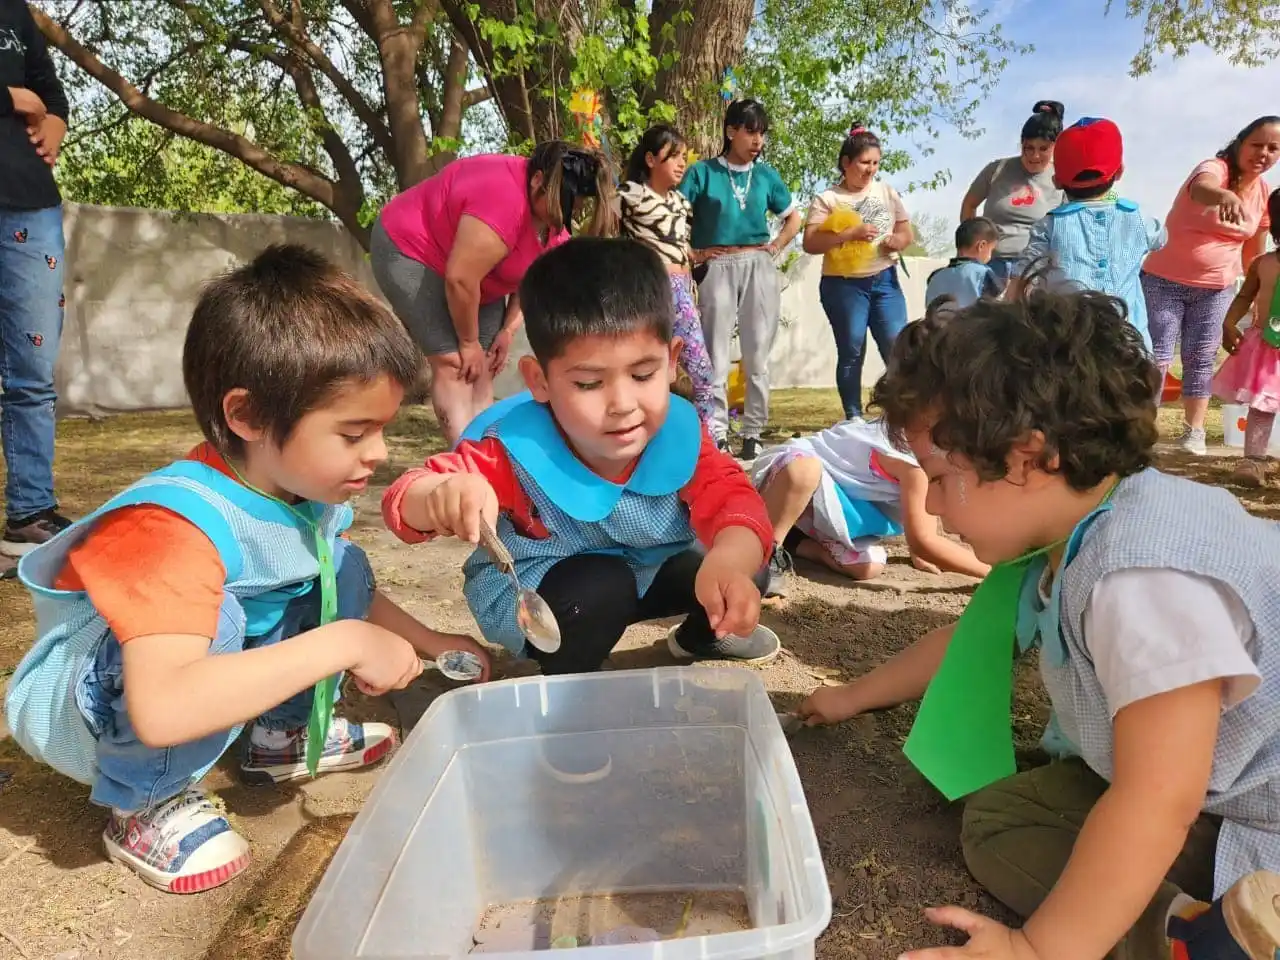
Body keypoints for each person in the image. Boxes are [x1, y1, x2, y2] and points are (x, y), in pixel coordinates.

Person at [799, 288, 1280, 960]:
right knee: (1005, 810)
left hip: (1259, 819)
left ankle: (1200, 939)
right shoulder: (1080, 524)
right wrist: (851, 697)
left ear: (1027, 458)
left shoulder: (1141, 579)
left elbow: (1159, 797)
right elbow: (974, 642)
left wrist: (1039, 948)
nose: (931, 508)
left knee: (1013, 829)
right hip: (1214, 785)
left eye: (939, 478)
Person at [4, 246, 491, 894]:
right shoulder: (171, 530)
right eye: (353, 433)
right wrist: (346, 642)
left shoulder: (302, 490)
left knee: (343, 566)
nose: (378, 453)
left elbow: (332, 577)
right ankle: (142, 800)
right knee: (221, 615)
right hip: (102, 706)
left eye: (382, 429)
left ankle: (278, 737)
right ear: (249, 415)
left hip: (178, 676)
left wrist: (431, 642)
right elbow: (163, 707)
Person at [383, 237, 779, 678]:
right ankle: (570, 681)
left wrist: (731, 561)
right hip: (550, 591)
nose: (622, 404)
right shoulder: (517, 448)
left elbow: (733, 499)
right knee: (600, 588)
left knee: (743, 560)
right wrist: (440, 494)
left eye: (643, 374)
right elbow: (404, 497)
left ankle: (702, 636)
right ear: (540, 381)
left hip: (648, 569)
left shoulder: (679, 433)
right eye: (589, 383)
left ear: (671, 362)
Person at [370, 141, 614, 447]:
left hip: (475, 275)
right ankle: (465, 455)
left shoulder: (554, 225)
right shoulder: (502, 199)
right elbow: (461, 278)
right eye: (567, 201)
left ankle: (486, 450)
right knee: (456, 363)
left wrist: (507, 331)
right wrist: (468, 342)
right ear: (537, 180)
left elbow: (531, 280)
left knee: (482, 365)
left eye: (576, 204)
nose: (572, 211)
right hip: (413, 249)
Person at [1143, 116, 1280, 455]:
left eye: (1273, 148)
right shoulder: (1214, 169)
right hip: (1163, 280)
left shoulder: (1263, 194)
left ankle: (1194, 432)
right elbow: (1200, 188)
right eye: (1257, 144)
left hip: (1217, 288)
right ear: (1240, 143)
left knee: (1201, 356)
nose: (1263, 153)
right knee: (1157, 356)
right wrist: (1223, 197)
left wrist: (1255, 302)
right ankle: (1142, 430)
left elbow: (1253, 254)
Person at [680, 99, 804, 460]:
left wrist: (775, 247)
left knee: (757, 354)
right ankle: (717, 431)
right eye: (750, 131)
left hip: (758, 265)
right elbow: (673, 213)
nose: (757, 140)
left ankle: (753, 432)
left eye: (762, 133)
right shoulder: (702, 173)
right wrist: (692, 253)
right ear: (731, 131)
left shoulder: (766, 176)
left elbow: (793, 218)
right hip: (717, 264)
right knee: (715, 353)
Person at [751, 417, 990, 598]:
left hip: (825, 499)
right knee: (804, 471)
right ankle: (765, 555)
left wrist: (921, 550)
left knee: (866, 567)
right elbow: (924, 541)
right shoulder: (913, 461)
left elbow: (922, 534)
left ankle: (794, 541)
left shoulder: (928, 455)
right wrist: (991, 571)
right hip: (783, 478)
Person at [0, 0, 73, 578]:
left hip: (29, 208)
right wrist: (9, 98)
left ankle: (30, 514)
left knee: (33, 373)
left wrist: (54, 121)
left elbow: (50, 92)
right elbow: (24, 94)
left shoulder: (14, 10)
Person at [1007, 117, 1165, 352]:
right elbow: (1161, 239)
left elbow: (1021, 282)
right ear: (1119, 171)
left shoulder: (1048, 226)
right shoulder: (1138, 218)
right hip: (1130, 351)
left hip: (1069, 351)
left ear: (1057, 181)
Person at [802, 122, 914, 421]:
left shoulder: (886, 192)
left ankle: (901, 415)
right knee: (852, 348)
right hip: (843, 286)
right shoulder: (827, 199)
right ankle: (853, 417)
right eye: (865, 163)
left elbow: (906, 232)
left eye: (875, 163)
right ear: (846, 162)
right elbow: (810, 243)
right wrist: (849, 234)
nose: (870, 170)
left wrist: (897, 241)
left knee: (897, 347)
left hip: (885, 282)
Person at [618, 125, 714, 429]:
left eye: (684, 157)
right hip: (646, 291)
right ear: (650, 159)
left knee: (700, 372)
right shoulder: (628, 194)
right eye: (674, 156)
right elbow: (602, 235)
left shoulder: (681, 204)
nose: (682, 163)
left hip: (683, 292)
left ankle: (704, 439)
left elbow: (682, 248)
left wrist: (702, 257)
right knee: (647, 367)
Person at [960, 101, 1066, 291]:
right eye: (1029, 148)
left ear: (1055, 147)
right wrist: (970, 250)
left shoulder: (1062, 178)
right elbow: (969, 204)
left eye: (1043, 149)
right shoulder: (997, 170)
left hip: (1035, 270)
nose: (1034, 156)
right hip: (992, 265)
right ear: (1021, 143)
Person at [1215, 189, 1280, 487]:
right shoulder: (1263, 263)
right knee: (1261, 406)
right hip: (1268, 346)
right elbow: (1244, 296)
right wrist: (1229, 322)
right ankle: (1253, 461)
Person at [924, 217, 1001, 311]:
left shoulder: (934, 276)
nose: (990, 256)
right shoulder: (984, 274)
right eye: (991, 250)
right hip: (970, 320)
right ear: (981, 246)